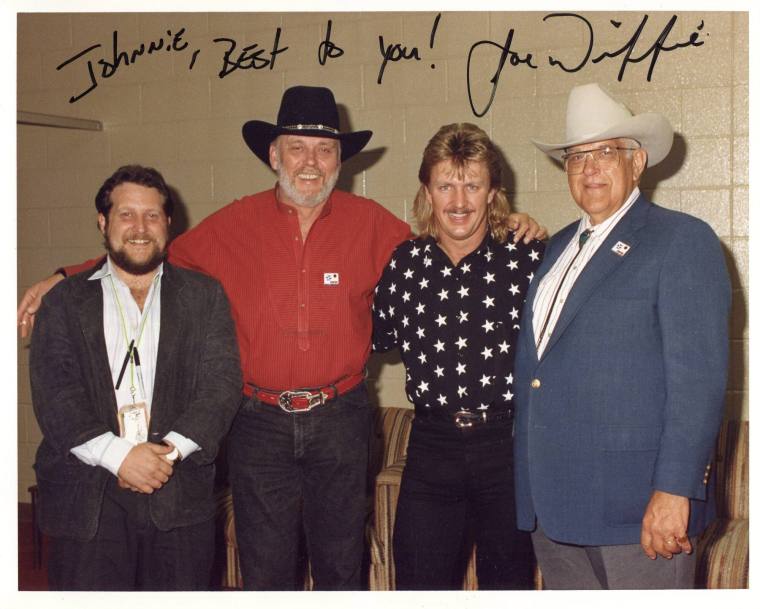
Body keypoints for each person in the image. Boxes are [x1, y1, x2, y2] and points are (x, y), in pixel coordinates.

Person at [17, 86, 543, 590]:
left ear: (341, 160)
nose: (310, 162)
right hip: (257, 424)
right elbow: (146, 249)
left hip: (341, 420)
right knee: (266, 570)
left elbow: (451, 241)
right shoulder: (231, 225)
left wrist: (515, 223)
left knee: (342, 567)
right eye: (297, 148)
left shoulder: (378, 228)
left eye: (324, 149)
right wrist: (67, 275)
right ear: (273, 155)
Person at [513, 83, 730, 589]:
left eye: (604, 153)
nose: (589, 168)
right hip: (553, 507)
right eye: (576, 156)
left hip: (638, 512)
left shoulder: (682, 240)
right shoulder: (556, 247)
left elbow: (697, 383)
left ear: (637, 162)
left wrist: (675, 490)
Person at [29, 165, 242, 590]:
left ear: (168, 223)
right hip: (88, 494)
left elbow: (221, 387)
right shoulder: (64, 302)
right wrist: (119, 456)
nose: (140, 228)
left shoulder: (205, 296)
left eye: (151, 216)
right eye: (126, 215)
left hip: (178, 492)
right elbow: (55, 394)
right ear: (103, 223)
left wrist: (167, 454)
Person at [372, 123, 543, 589]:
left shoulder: (528, 259)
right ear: (427, 191)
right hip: (432, 448)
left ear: (493, 193)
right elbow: (369, 338)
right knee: (418, 584)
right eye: (446, 184)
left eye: (473, 184)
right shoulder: (404, 265)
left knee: (508, 585)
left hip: (506, 447)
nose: (459, 201)